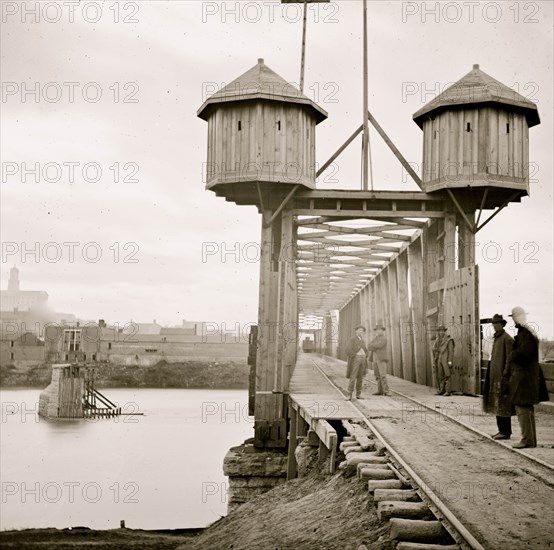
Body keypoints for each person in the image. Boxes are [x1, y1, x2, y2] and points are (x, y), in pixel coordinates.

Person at [508, 306, 549, 449]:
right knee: (526, 407)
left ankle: (527, 440)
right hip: (527, 378)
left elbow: (523, 355)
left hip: (524, 378)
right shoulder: (527, 333)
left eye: (514, 317)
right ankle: (530, 439)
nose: (514, 319)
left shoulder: (524, 334)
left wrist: (512, 354)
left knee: (522, 406)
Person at [483, 314, 515, 440]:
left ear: (502, 325)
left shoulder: (507, 339)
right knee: (497, 404)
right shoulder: (496, 338)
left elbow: (510, 359)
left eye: (498, 324)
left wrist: (505, 375)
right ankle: (501, 430)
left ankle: (505, 432)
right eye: (494, 324)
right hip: (494, 376)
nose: (495, 326)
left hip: (502, 377)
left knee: (504, 405)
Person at [345, 325, 368, 400]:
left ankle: (358, 394)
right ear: (356, 331)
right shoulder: (352, 339)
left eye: (362, 330)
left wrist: (366, 354)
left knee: (360, 377)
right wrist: (355, 355)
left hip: (363, 358)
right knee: (353, 376)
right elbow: (348, 349)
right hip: (356, 359)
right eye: (360, 330)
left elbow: (365, 349)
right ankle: (349, 394)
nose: (361, 331)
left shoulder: (361, 339)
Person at [367, 324, 390, 396]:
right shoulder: (375, 338)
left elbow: (379, 345)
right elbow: (368, 346)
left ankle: (386, 391)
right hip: (374, 359)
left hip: (381, 359)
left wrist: (373, 345)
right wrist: (374, 345)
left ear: (382, 331)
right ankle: (380, 390)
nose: (378, 331)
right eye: (377, 330)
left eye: (380, 330)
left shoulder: (384, 338)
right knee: (377, 375)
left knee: (382, 375)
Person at [432, 326, 454, 396]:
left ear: (445, 332)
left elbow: (451, 352)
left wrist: (450, 362)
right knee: (440, 375)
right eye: (440, 331)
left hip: (446, 360)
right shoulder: (437, 340)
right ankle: (441, 390)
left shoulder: (449, 340)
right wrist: (436, 353)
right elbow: (433, 348)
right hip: (439, 359)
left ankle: (448, 391)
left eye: (442, 331)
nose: (441, 332)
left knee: (447, 375)